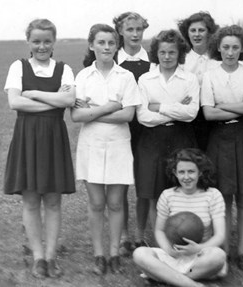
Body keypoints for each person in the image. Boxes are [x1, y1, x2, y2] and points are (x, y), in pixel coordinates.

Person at [3, 19, 76, 278]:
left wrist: (32, 93)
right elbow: (15, 103)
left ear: (54, 42)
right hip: (28, 137)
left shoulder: (64, 69)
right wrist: (53, 102)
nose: (42, 46)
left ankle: (52, 256)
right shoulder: (18, 67)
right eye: (36, 41)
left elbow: (69, 100)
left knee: (54, 201)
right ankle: (37, 257)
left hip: (54, 137)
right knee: (32, 200)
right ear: (28, 42)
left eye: (47, 41)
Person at [71, 24, 141, 275]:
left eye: (111, 43)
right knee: (97, 202)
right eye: (101, 43)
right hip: (91, 145)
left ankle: (114, 253)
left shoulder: (126, 77)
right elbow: (77, 116)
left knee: (114, 203)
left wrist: (94, 112)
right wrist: (110, 107)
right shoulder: (82, 77)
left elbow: (129, 114)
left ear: (117, 46)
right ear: (92, 45)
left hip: (118, 145)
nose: (107, 47)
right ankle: (98, 253)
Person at [201, 25, 243, 269]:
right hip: (221, 138)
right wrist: (241, 105)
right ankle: (224, 249)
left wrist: (223, 106)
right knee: (224, 198)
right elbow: (208, 113)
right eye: (226, 47)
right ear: (218, 47)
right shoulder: (210, 75)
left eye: (235, 47)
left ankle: (242, 250)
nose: (230, 52)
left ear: (242, 48)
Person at [135, 29, 199, 243]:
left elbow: (191, 114)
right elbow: (143, 116)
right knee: (155, 195)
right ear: (156, 53)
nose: (167, 57)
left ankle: (180, 241)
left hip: (181, 139)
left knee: (179, 193)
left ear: (179, 53)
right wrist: (176, 109)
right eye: (162, 52)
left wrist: (159, 107)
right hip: (152, 141)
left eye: (172, 52)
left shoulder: (189, 79)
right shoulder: (146, 79)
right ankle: (159, 245)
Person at [133, 148, 227, 287]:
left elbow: (220, 235)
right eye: (181, 172)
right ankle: (192, 284)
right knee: (139, 254)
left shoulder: (213, 195)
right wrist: (168, 250)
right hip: (173, 255)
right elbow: (159, 230)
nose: (186, 177)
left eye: (191, 171)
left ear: (200, 172)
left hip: (199, 255)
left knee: (218, 256)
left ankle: (165, 277)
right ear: (175, 173)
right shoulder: (167, 195)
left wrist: (198, 248)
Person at [113, 11, 151, 254]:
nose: (135, 34)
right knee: (122, 183)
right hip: (120, 127)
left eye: (139, 29)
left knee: (144, 183)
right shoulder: (113, 60)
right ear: (120, 32)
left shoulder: (154, 60)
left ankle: (140, 235)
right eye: (130, 30)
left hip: (147, 130)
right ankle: (124, 236)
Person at [178, 11, 220, 151]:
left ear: (210, 32)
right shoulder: (182, 60)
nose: (196, 34)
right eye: (193, 30)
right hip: (189, 119)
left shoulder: (219, 60)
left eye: (201, 30)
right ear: (187, 33)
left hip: (215, 117)